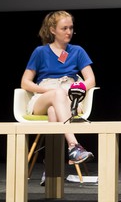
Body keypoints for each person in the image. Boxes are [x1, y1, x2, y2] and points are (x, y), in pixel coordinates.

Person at [20, 10, 96, 170]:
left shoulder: (77, 51)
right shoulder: (40, 52)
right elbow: (25, 82)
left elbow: (91, 80)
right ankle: (73, 146)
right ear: (53, 30)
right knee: (56, 95)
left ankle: (51, 166)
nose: (69, 32)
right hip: (44, 96)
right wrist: (46, 91)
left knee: (54, 112)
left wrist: (77, 89)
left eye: (71, 28)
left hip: (70, 97)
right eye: (64, 28)